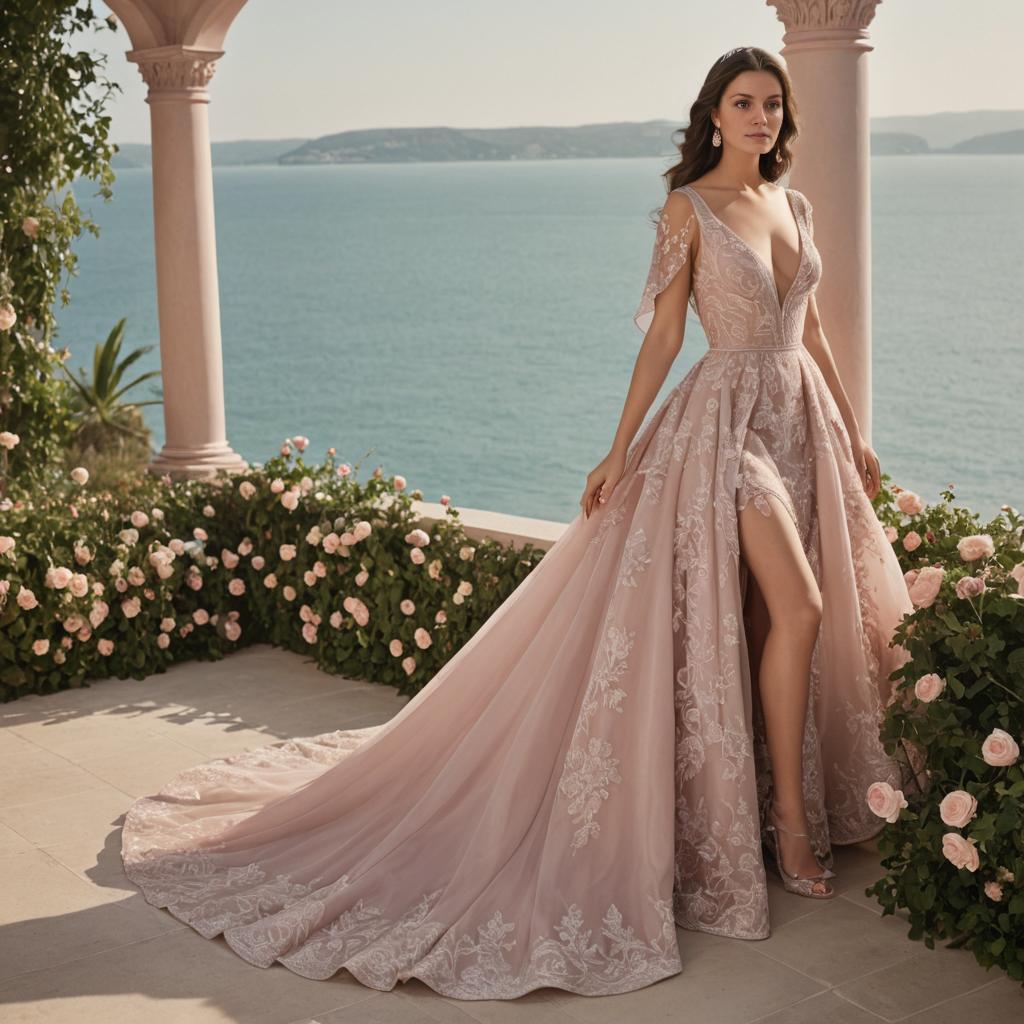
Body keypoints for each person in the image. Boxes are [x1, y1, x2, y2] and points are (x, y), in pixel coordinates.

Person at [120, 46, 919, 1001]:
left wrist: (856, 430)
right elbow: (667, 335)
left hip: (804, 419)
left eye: (772, 105)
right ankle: (790, 822)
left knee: (758, 623)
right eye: (743, 103)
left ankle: (754, 804)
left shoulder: (796, 206)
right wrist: (618, 450)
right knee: (801, 606)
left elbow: (816, 329)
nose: (760, 118)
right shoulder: (690, 207)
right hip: (724, 428)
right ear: (712, 116)